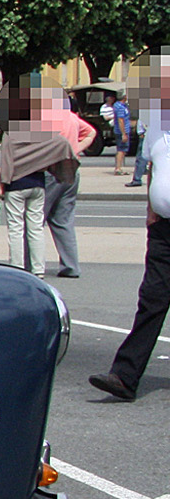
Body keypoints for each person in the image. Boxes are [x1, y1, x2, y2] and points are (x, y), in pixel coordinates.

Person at [90, 58, 170, 401]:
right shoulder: (158, 122)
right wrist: (152, 208)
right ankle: (124, 376)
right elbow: (153, 165)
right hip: (164, 229)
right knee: (152, 299)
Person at [0, 114, 74, 277]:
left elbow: (6, 161)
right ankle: (38, 270)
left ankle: (18, 268)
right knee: (36, 229)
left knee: (16, 228)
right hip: (38, 183)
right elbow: (62, 143)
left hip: (16, 184)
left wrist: (1, 183)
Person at [38, 89, 96, 279]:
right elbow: (91, 132)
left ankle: (33, 264)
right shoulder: (70, 117)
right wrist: (75, 149)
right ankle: (71, 266)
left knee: (35, 219)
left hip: (52, 170)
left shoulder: (47, 119)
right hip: (72, 168)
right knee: (63, 220)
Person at [111, 88, 133, 177]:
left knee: (123, 150)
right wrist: (123, 133)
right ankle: (118, 168)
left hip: (124, 130)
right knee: (121, 149)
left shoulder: (123, 106)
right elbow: (121, 120)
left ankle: (120, 167)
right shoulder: (119, 107)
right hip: (122, 131)